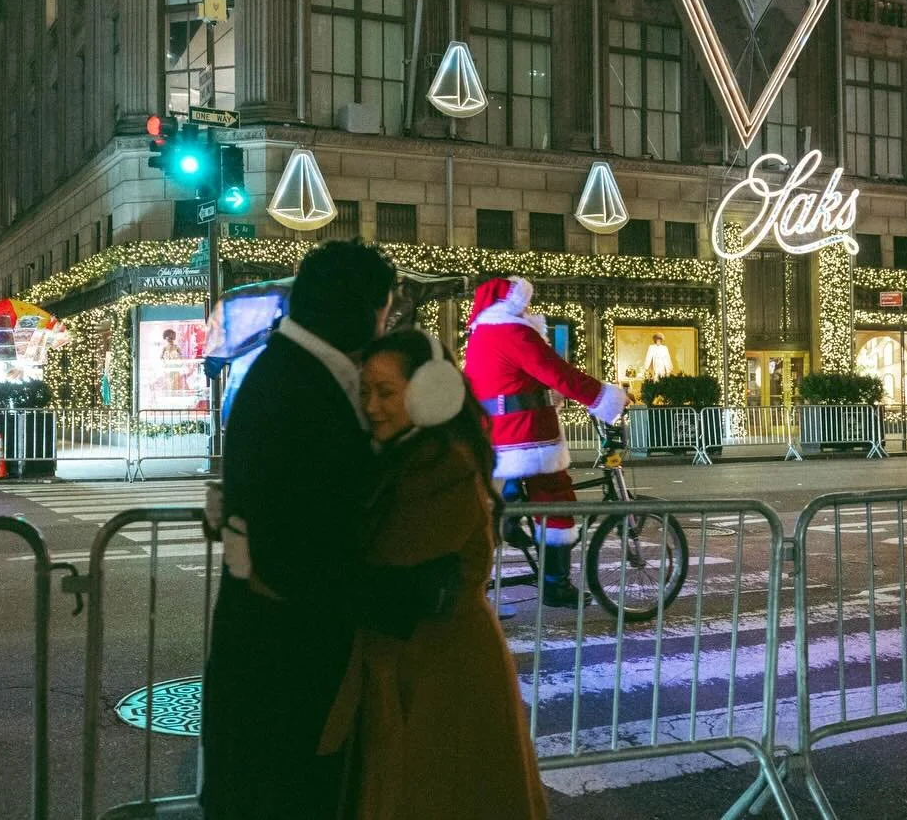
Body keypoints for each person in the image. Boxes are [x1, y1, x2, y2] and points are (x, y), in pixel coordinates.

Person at [200, 240, 458, 819]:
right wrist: (412, 597)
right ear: (365, 309)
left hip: (277, 659)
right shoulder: (299, 386)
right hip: (287, 666)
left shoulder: (294, 370)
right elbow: (297, 559)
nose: (386, 323)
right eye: (386, 309)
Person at [316, 329, 549, 820]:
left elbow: (386, 563)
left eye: (386, 392)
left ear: (432, 393)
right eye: (365, 391)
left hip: (442, 672)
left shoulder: (442, 464)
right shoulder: (403, 454)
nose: (372, 406)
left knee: (443, 796)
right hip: (415, 665)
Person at [463, 276, 629, 607]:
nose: (528, 310)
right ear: (512, 302)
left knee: (531, 492)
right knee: (556, 497)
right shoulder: (514, 331)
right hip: (526, 435)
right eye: (524, 303)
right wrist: (606, 398)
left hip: (496, 434)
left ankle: (511, 507)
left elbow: (511, 381)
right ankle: (556, 584)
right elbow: (559, 373)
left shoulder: (482, 334)